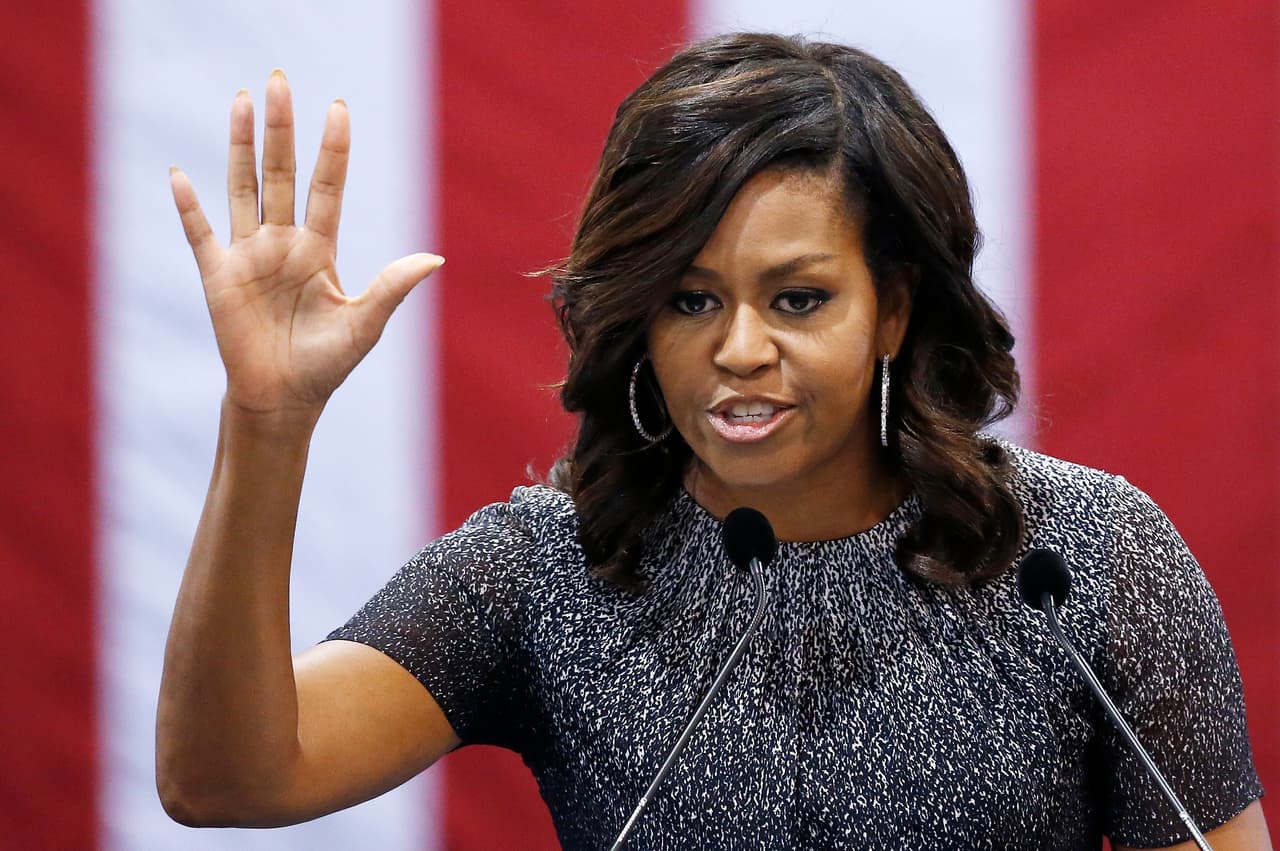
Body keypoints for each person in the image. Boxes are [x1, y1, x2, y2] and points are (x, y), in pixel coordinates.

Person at [157, 33, 1270, 850]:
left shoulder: (1082, 557)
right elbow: (226, 776)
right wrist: (267, 423)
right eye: (689, 301)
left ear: (889, 312)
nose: (738, 348)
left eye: (795, 300)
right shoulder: (554, 566)